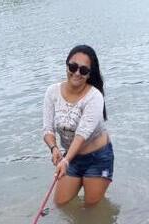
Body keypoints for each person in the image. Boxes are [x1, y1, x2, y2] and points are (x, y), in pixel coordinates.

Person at [42, 45, 113, 206]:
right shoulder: (52, 92)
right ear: (66, 65)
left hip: (98, 157)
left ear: (89, 73)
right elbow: (47, 129)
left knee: (91, 208)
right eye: (73, 67)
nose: (77, 73)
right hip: (72, 157)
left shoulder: (95, 96)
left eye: (83, 70)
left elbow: (82, 134)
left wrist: (65, 161)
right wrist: (54, 148)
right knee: (61, 204)